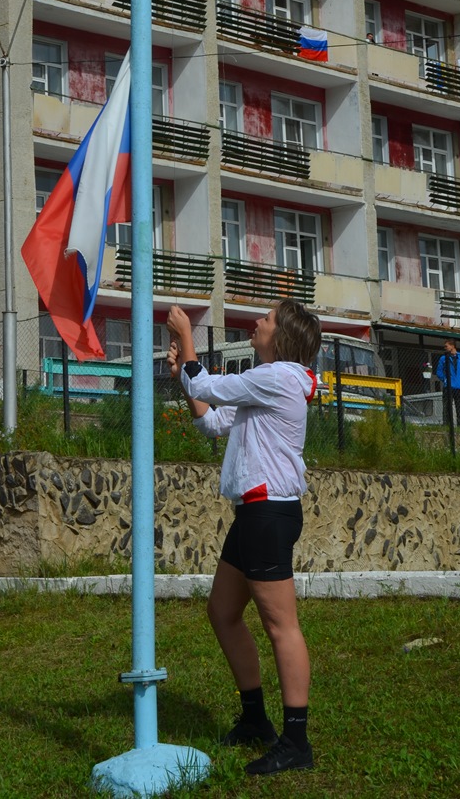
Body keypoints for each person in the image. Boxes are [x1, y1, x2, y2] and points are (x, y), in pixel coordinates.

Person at [166, 298, 322, 778]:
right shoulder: (268, 384)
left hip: (267, 513)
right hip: (254, 513)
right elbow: (210, 420)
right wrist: (186, 374)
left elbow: (205, 384)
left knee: (281, 626)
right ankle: (255, 718)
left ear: (283, 336)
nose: (257, 322)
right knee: (222, 611)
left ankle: (296, 742)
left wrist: (187, 336)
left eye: (267, 319)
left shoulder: (277, 377)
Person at [434, 339, 460, 426]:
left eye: (446, 346)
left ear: (452, 346)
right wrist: (445, 379)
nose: (445, 348)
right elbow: (439, 371)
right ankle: (447, 425)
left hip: (459, 387)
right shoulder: (443, 358)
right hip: (448, 386)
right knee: (447, 408)